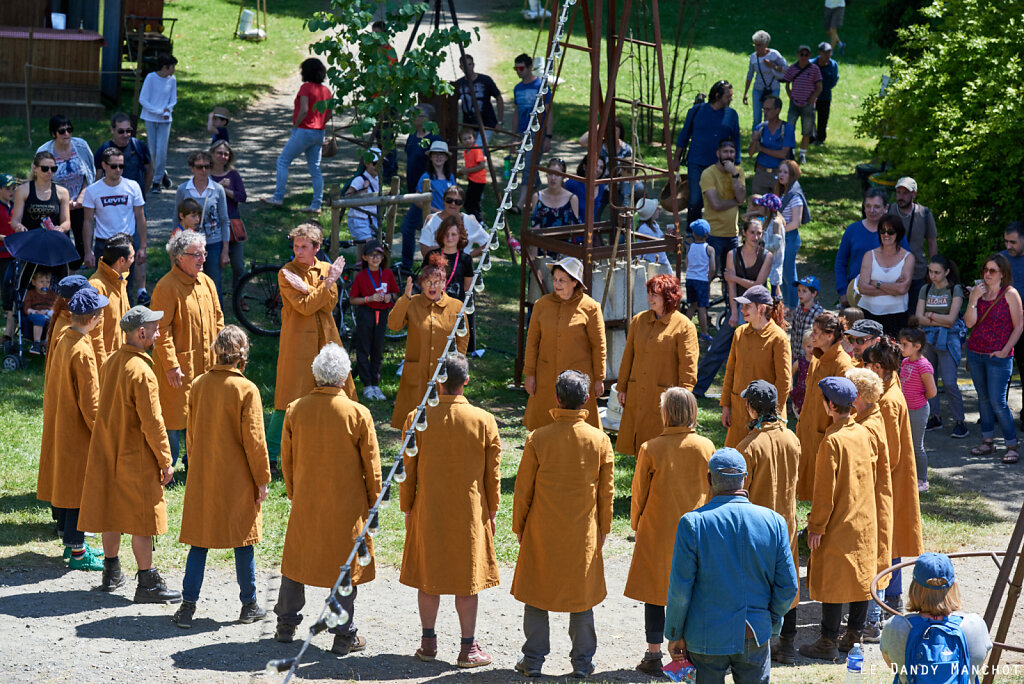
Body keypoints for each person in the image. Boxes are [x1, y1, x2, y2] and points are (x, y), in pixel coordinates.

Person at [274, 343, 382, 654]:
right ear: (346, 375)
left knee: (296, 562)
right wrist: (374, 503)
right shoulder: (359, 413)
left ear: (316, 375)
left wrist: (296, 493)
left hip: (307, 500)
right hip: (346, 507)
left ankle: (285, 624)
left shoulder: (296, 409)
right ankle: (343, 635)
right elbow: (372, 467)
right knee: (344, 567)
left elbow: (287, 460)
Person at [399, 353, 501, 668]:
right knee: (467, 579)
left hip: (428, 508)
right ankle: (468, 649)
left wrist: (407, 508)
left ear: (437, 382)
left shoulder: (417, 417)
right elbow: (492, 475)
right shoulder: (484, 420)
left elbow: (407, 471)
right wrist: (492, 511)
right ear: (465, 381)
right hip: (470, 513)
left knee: (429, 577)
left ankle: (428, 643)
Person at [512, 370, 614, 678]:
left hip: (542, 532)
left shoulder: (538, 438)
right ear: (586, 400)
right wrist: (604, 530)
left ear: (557, 398)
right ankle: (582, 664)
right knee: (580, 598)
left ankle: (532, 660)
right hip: (582, 534)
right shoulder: (600, 440)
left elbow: (522, 492)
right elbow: (607, 494)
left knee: (536, 595)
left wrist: (519, 528)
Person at [665, 448, 797, 683]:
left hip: (705, 636)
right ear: (745, 478)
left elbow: (680, 591)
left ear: (709, 480)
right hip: (754, 632)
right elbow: (788, 586)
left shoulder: (693, 523)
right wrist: (770, 619)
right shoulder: (774, 522)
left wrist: (674, 633)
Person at [78, 305, 180, 603]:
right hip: (135, 454)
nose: (160, 334)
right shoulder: (142, 371)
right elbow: (153, 422)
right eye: (156, 329)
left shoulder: (111, 361)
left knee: (111, 510)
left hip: (108, 448)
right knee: (142, 519)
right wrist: (165, 461)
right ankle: (147, 583)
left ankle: (111, 572)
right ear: (141, 332)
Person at [173, 325, 270, 628]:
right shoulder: (246, 389)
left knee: (199, 542)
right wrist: (262, 478)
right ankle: (249, 604)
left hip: (204, 473)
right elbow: (254, 440)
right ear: (242, 355)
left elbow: (191, 434)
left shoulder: (199, 384)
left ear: (217, 350)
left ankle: (187, 607)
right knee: (244, 540)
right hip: (238, 477)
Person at [625, 387, 714, 675]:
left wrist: (637, 524)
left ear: (666, 413)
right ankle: (687, 652)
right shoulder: (706, 446)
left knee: (655, 593)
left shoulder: (650, 448)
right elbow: (713, 491)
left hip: (658, 529)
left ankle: (653, 655)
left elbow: (639, 493)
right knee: (691, 591)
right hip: (697, 531)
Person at [799, 376, 878, 661]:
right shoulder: (863, 433)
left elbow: (824, 492)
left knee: (832, 580)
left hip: (838, 521)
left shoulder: (831, 440)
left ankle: (827, 641)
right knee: (860, 577)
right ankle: (854, 635)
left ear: (830, 405)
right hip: (864, 519)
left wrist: (816, 526)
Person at [37, 287, 108, 571]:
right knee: (79, 490)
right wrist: (102, 434)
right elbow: (91, 404)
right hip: (78, 430)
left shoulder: (66, 337)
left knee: (67, 487)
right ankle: (78, 552)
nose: (102, 316)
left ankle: (70, 545)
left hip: (62, 422)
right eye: (100, 313)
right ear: (92, 318)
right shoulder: (83, 349)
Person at [267, 223, 348, 468]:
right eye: (295, 246)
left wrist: (311, 289)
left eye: (304, 247)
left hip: (326, 337)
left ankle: (328, 447)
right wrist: (325, 285)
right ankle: (270, 454)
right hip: (297, 343)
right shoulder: (286, 273)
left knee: (332, 392)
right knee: (288, 397)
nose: (298, 252)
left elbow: (328, 304)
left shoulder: (326, 268)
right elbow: (304, 307)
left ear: (317, 247)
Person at [734, 380, 802, 664]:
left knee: (756, 583)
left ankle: (757, 641)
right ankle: (787, 643)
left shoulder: (747, 447)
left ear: (751, 408)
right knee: (788, 580)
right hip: (786, 523)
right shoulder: (792, 438)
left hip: (756, 529)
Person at [151, 230, 225, 472]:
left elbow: (218, 319)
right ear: (179, 257)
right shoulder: (166, 287)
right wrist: (171, 365)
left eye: (203, 253)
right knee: (173, 416)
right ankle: (167, 465)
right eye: (196, 255)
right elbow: (161, 330)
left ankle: (196, 461)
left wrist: (222, 354)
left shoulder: (207, 282)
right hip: (179, 365)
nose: (202, 258)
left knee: (202, 413)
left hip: (207, 363)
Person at [862, 336, 923, 610]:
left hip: (890, 479)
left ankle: (891, 598)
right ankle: (893, 596)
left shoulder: (886, 401)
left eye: (867, 364)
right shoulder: (890, 385)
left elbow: (891, 453)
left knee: (889, 538)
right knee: (892, 536)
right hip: (894, 477)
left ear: (877, 368)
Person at [616, 275, 699, 455]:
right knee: (640, 447)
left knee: (662, 448)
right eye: (648, 293)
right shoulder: (639, 321)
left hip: (665, 399)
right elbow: (627, 357)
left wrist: (682, 402)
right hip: (638, 393)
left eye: (654, 295)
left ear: (668, 297)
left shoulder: (684, 326)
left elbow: (689, 369)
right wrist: (622, 387)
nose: (649, 299)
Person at [880, 553, 993, 683]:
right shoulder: (975, 625)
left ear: (914, 588)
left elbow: (893, 666)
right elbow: (976, 668)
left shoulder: (895, 626)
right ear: (953, 587)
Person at [523, 256, 606, 431]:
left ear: (575, 282)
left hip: (578, 381)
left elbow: (599, 347)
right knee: (543, 428)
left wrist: (599, 379)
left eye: (562, 280)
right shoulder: (541, 305)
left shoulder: (591, 307)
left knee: (580, 431)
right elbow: (532, 343)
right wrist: (529, 374)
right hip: (546, 378)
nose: (557, 284)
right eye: (555, 279)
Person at [388, 252, 469, 428]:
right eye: (428, 282)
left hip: (444, 376)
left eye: (437, 282)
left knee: (440, 424)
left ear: (444, 283)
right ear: (421, 284)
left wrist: (456, 367)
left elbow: (462, 339)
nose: (432, 286)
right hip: (417, 374)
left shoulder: (456, 306)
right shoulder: (413, 302)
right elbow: (394, 325)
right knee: (413, 425)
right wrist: (405, 298)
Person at [692, 219, 771, 399]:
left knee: (756, 353)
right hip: (737, 307)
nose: (755, 236)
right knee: (717, 348)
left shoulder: (767, 256)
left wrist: (734, 278)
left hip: (758, 312)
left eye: (758, 233)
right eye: (752, 232)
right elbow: (730, 286)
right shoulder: (732, 254)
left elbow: (758, 286)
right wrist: (734, 312)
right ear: (744, 233)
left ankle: (758, 392)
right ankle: (697, 389)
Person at [845, 366, 895, 643]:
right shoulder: (869, 418)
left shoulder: (867, 426)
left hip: (873, 500)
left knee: (873, 557)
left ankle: (872, 621)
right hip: (876, 498)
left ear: (860, 396)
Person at [964, 253, 1024, 463]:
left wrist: (1006, 350)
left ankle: (1011, 444)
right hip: (976, 352)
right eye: (985, 270)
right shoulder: (978, 293)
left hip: (999, 356)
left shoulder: (1010, 293)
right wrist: (972, 300)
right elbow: (969, 324)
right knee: (983, 399)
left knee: (998, 401)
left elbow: (1019, 327)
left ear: (1003, 274)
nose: (987, 274)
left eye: (992, 271)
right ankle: (988, 441)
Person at [721, 285, 791, 447]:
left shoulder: (778, 338)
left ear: (761, 308)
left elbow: (784, 381)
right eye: (742, 305)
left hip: (766, 417)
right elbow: (730, 371)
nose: (742, 310)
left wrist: (772, 415)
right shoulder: (739, 333)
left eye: (747, 306)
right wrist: (726, 406)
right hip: (739, 411)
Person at [795, 312, 854, 501]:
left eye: (816, 332)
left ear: (829, 335)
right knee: (810, 484)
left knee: (826, 487)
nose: (811, 336)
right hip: (809, 430)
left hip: (826, 433)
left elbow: (845, 409)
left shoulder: (843, 365)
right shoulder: (817, 358)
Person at [264, 58, 332, 215]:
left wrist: (295, 126)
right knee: (315, 169)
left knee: (283, 161)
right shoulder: (326, 91)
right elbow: (329, 114)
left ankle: (278, 197)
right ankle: (316, 204)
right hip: (319, 132)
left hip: (304, 130)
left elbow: (303, 110)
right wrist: (320, 123)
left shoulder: (306, 88)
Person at [82, 148, 147, 301]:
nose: (118, 170)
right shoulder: (93, 190)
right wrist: (87, 251)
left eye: (121, 166)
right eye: (114, 166)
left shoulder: (132, 186)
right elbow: (88, 221)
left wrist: (143, 247)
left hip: (126, 244)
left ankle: (126, 322)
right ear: (104, 165)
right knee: (102, 289)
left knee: (126, 288)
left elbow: (140, 217)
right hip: (103, 244)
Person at [676, 80, 742, 224]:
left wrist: (735, 164)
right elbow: (684, 136)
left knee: (717, 200)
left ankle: (715, 231)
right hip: (696, 162)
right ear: (717, 96)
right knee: (695, 199)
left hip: (719, 166)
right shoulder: (697, 111)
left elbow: (736, 139)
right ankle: (692, 232)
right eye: (728, 96)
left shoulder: (732, 115)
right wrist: (676, 160)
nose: (731, 99)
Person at [917, 255, 968, 437]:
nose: (933, 275)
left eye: (937, 272)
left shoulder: (955, 290)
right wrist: (938, 319)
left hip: (948, 339)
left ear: (947, 272)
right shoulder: (925, 288)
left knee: (949, 382)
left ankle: (960, 421)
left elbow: (951, 320)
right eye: (930, 271)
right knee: (928, 379)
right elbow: (918, 317)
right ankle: (935, 417)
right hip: (928, 339)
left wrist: (930, 316)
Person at [36, 115, 94, 263]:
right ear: (53, 134)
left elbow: (90, 173)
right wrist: (61, 201)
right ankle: (63, 275)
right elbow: (41, 180)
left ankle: (73, 272)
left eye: (69, 129)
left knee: (82, 243)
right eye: (62, 131)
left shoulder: (81, 146)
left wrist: (82, 196)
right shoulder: (44, 151)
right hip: (57, 204)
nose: (67, 134)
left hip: (81, 201)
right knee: (61, 243)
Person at [174, 151, 231, 298]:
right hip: (189, 244)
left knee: (213, 283)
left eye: (207, 166)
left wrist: (225, 250)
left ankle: (217, 318)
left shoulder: (217, 190)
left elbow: (224, 220)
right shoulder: (183, 189)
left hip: (213, 242)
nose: (203, 170)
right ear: (192, 168)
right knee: (189, 281)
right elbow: (177, 218)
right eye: (199, 167)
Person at [349, 238, 399, 402]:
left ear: (383, 257)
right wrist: (369, 299)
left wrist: (389, 296)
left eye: (378, 255)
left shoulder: (387, 273)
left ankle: (375, 384)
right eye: (371, 255)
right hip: (366, 312)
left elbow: (395, 293)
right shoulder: (361, 276)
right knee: (364, 348)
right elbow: (352, 299)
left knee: (378, 349)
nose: (375, 258)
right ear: (364, 258)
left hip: (382, 313)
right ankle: (367, 385)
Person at [836, 188, 900, 306]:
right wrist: (843, 291)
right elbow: (841, 262)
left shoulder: (895, 231)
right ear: (864, 207)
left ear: (885, 208)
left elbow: (905, 262)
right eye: (868, 206)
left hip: (886, 295)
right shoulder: (852, 230)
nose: (872, 210)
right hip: (856, 294)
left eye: (876, 206)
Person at [858, 212, 916, 336]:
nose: (885, 235)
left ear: (898, 234)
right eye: (882, 231)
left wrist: (876, 283)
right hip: (869, 313)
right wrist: (892, 288)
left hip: (897, 316)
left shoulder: (908, 258)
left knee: (894, 353)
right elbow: (862, 288)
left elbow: (902, 289)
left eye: (890, 232)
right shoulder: (869, 255)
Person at [398, 104, 442, 270]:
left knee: (408, 227)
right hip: (414, 191)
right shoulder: (413, 136)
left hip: (426, 192)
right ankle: (428, 264)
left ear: (426, 119)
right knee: (423, 228)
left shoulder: (434, 139)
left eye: (418, 115)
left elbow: (439, 164)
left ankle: (407, 265)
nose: (414, 117)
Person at [889, 177, 938, 313]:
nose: (901, 197)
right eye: (898, 192)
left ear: (914, 194)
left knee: (914, 313)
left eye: (905, 193)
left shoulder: (924, 213)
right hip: (892, 271)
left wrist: (933, 268)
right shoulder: (889, 211)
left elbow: (932, 241)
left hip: (917, 271)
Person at [700, 139, 747, 277]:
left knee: (731, 275)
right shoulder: (708, 173)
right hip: (713, 234)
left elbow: (741, 197)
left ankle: (729, 299)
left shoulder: (738, 172)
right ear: (718, 153)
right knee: (710, 273)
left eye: (731, 152)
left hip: (732, 234)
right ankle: (703, 299)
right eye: (725, 152)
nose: (728, 155)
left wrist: (734, 175)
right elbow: (716, 205)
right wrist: (737, 202)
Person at [899, 327, 937, 492]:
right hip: (904, 409)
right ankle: (908, 474)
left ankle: (923, 480)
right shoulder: (905, 362)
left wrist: (919, 399)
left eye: (905, 344)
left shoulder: (924, 365)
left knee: (916, 446)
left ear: (917, 346)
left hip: (918, 410)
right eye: (901, 343)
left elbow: (932, 391)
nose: (901, 347)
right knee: (904, 444)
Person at [87, 232, 133, 365]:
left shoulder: (121, 279)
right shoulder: (95, 287)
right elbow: (94, 335)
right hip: (106, 365)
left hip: (122, 360)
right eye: (131, 257)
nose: (134, 260)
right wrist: (104, 370)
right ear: (121, 261)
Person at [209, 140, 248, 291]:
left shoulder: (233, 175)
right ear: (212, 154)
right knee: (215, 265)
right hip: (214, 225)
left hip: (233, 224)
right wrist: (218, 187)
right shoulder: (207, 174)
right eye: (219, 153)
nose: (222, 156)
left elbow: (242, 197)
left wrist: (224, 190)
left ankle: (239, 297)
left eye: (226, 154)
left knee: (238, 266)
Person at [93, 112, 154, 200]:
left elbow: (149, 171)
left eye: (128, 131)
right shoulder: (104, 150)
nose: (125, 135)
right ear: (112, 130)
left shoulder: (139, 146)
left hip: (134, 200)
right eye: (121, 131)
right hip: (112, 200)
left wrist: (142, 193)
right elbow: (97, 178)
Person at [139, 54, 177, 192]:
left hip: (165, 119)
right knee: (152, 150)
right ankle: (158, 172)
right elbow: (143, 99)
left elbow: (173, 99)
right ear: (164, 67)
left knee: (161, 150)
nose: (174, 70)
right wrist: (157, 111)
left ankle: (157, 180)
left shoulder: (172, 80)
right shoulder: (151, 78)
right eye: (172, 67)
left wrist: (167, 110)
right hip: (150, 118)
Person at [775, 160, 809, 308]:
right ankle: (788, 306)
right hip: (782, 238)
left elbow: (796, 223)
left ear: (793, 175)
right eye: (780, 171)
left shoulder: (795, 197)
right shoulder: (783, 192)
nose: (781, 175)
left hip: (790, 238)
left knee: (789, 276)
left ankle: (793, 308)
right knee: (782, 275)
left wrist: (778, 229)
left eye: (785, 172)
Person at [418, 184, 488, 256]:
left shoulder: (469, 220)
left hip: (461, 266)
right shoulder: (432, 220)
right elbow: (424, 251)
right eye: (449, 200)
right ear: (443, 200)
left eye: (458, 202)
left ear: (462, 204)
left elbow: (488, 244)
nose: (453, 204)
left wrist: (467, 257)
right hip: (437, 265)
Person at [10, 151, 70, 234]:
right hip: (30, 239)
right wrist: (19, 226)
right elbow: (15, 220)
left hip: (53, 239)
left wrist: (61, 228)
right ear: (35, 168)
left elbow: (66, 222)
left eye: (53, 169)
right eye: (45, 168)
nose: (49, 172)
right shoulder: (23, 190)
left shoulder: (62, 192)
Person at [781, 46, 822, 166]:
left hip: (808, 105)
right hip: (794, 104)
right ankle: (791, 152)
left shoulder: (814, 69)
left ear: (809, 56)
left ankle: (803, 154)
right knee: (790, 128)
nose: (804, 57)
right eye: (801, 54)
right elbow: (787, 83)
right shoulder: (792, 68)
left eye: (806, 55)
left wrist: (813, 98)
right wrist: (790, 95)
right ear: (798, 55)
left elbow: (819, 87)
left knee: (807, 131)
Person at [748, 97, 794, 195]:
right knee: (757, 206)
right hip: (761, 173)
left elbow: (783, 154)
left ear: (777, 110)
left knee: (778, 207)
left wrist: (762, 149)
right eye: (763, 109)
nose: (765, 112)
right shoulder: (760, 127)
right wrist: (754, 140)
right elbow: (751, 153)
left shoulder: (787, 128)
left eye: (768, 109)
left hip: (779, 174)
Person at [1002, 222, 1024, 427]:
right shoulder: (1001, 259)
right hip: (1003, 325)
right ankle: (998, 411)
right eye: (1006, 241)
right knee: (1000, 371)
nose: (1009, 246)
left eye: (1013, 242)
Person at [743, 31, 788, 130]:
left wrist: (772, 66)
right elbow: (750, 74)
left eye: (759, 45)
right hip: (758, 89)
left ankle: (768, 139)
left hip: (773, 89)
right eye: (755, 44)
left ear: (766, 44)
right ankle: (755, 141)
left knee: (769, 117)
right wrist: (745, 92)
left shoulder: (774, 55)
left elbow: (785, 68)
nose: (756, 48)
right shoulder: (753, 57)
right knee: (756, 118)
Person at [454, 54, 503, 145]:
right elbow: (453, 104)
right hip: (469, 125)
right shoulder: (459, 84)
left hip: (487, 124)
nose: (468, 68)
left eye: (470, 64)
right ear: (461, 67)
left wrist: (499, 122)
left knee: (479, 149)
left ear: (474, 65)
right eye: (465, 65)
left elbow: (499, 98)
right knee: (471, 152)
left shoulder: (485, 80)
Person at [344, 147, 383, 251]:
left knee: (366, 248)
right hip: (359, 219)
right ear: (367, 163)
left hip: (372, 218)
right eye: (375, 164)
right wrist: (363, 190)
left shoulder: (378, 179)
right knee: (369, 246)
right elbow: (347, 197)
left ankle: (360, 266)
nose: (378, 167)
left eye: (381, 164)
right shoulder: (360, 180)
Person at [746, 193, 785, 296]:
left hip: (773, 267)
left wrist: (759, 248)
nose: (759, 208)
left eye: (761, 206)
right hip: (767, 265)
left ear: (767, 208)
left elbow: (776, 245)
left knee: (772, 296)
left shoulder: (776, 222)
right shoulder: (768, 220)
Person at [685, 219, 715, 340]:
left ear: (693, 234)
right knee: (702, 307)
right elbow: (712, 268)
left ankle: (682, 328)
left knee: (692, 305)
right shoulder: (709, 249)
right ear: (707, 234)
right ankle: (704, 333)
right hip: (701, 280)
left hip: (690, 279)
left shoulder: (690, 247)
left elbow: (686, 263)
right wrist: (708, 279)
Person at [565, 155, 608, 224]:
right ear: (585, 167)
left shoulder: (601, 186)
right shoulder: (572, 183)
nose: (598, 170)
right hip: (572, 229)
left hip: (590, 230)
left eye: (601, 167)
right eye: (595, 165)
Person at [790, 274, 824, 362]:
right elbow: (794, 332)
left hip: (810, 357)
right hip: (796, 354)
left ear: (814, 293)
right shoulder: (798, 309)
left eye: (804, 291)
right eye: (799, 290)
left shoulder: (818, 313)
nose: (800, 294)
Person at [0, 173, 17, 345]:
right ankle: (6, 310)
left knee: (13, 285)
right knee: (5, 283)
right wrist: (4, 238)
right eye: (8, 188)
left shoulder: (15, 206)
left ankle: (10, 315)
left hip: (15, 253)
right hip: (2, 254)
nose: (11, 191)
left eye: (14, 188)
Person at [812, 43, 839, 146]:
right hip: (812, 96)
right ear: (819, 53)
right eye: (825, 53)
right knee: (811, 118)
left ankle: (821, 139)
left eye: (829, 52)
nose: (828, 55)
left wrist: (824, 88)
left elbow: (834, 79)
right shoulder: (812, 64)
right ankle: (812, 138)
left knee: (823, 119)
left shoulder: (833, 64)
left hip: (826, 96)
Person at [23, 270, 56, 354]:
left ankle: (46, 343)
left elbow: (55, 307)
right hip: (34, 315)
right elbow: (27, 309)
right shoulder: (30, 293)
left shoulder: (52, 294)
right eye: (41, 282)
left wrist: (48, 311)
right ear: (34, 282)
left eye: (47, 282)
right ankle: (36, 344)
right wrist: (35, 311)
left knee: (53, 320)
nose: (45, 284)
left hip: (47, 315)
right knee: (39, 318)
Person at [458, 129, 486, 220]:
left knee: (469, 203)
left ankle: (477, 221)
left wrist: (467, 171)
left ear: (474, 138)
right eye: (464, 139)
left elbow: (481, 166)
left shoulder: (476, 150)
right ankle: (478, 220)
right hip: (472, 180)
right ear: (461, 142)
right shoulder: (466, 152)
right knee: (474, 203)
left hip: (478, 180)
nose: (467, 141)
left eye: (469, 138)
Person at [791, 331, 814, 417]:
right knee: (800, 416)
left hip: (813, 394)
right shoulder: (799, 362)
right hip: (800, 394)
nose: (812, 349)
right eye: (809, 346)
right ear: (803, 346)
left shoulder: (820, 362)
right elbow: (790, 375)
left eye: (814, 347)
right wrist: (791, 388)